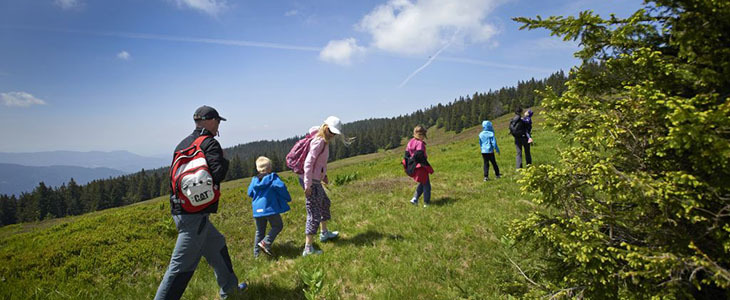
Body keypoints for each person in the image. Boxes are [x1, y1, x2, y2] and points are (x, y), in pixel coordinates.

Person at [155, 105, 246, 300]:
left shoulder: (182, 144)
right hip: (194, 215)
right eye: (218, 121)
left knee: (217, 244)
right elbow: (217, 174)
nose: (219, 125)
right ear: (211, 120)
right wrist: (225, 161)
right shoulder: (209, 143)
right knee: (180, 267)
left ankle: (230, 290)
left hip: (180, 209)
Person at [300, 116, 343, 256]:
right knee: (313, 213)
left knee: (325, 203)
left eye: (334, 133)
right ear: (325, 127)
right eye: (331, 131)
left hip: (316, 179)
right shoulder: (319, 142)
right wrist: (308, 185)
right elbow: (308, 164)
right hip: (311, 181)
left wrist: (323, 175)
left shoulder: (324, 141)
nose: (332, 135)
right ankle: (308, 248)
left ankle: (324, 233)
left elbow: (320, 163)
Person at [248, 156, 292, 258]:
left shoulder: (254, 180)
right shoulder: (272, 177)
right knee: (277, 226)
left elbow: (249, 193)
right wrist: (287, 198)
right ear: (269, 168)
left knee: (259, 231)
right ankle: (265, 242)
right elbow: (281, 187)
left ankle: (256, 255)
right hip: (269, 208)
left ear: (257, 169)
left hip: (257, 210)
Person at [406, 125, 434, 207]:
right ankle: (426, 203)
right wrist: (427, 166)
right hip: (421, 167)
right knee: (427, 186)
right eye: (424, 135)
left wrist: (410, 165)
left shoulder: (410, 142)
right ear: (421, 135)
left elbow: (406, 155)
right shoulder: (420, 144)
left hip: (414, 167)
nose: (424, 138)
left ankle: (414, 199)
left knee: (422, 182)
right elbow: (419, 155)